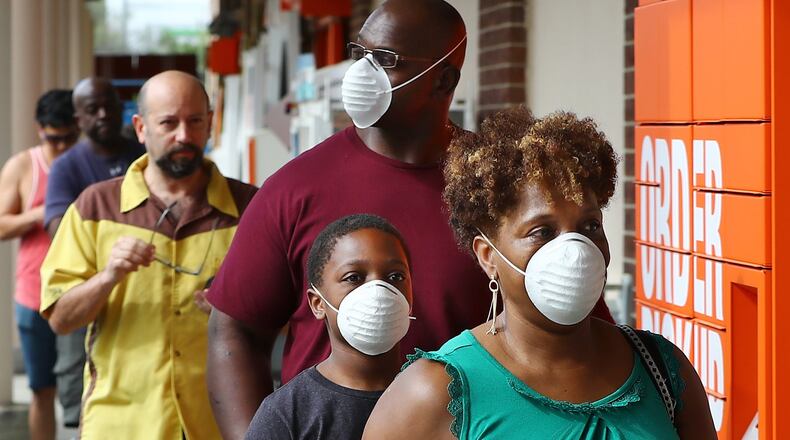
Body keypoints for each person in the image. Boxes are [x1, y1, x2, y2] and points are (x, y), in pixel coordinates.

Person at [205, 2, 615, 438]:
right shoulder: (294, 188)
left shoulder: (501, 191)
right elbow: (234, 332)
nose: (362, 72)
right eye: (359, 53)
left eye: (385, 60)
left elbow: (581, 327)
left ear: (443, 79)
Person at [363, 108, 716, 439]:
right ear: (488, 256)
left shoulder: (663, 371)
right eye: (542, 232)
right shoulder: (433, 393)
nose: (575, 250)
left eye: (589, 225)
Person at [39, 70, 257, 439]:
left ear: (210, 124)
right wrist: (108, 276)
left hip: (220, 422)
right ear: (140, 128)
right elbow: (60, 317)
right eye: (169, 123)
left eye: (195, 121)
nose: (184, 136)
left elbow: (292, 312)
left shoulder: (251, 207)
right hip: (123, 423)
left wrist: (236, 309)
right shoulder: (96, 205)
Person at [245, 214, 414, 440]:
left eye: (395, 276)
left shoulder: (437, 395)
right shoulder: (288, 413)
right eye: (353, 277)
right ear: (318, 303)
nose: (378, 290)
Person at [43, 76, 145, 428]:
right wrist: (107, 243)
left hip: (145, 287)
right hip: (89, 289)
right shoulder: (67, 166)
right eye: (92, 109)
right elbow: (57, 226)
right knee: (76, 366)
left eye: (110, 106)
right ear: (78, 119)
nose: (103, 114)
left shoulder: (144, 155)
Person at [0, 89, 78, 440]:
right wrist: (42, 212)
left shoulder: (86, 163)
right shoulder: (22, 165)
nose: (61, 146)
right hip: (33, 296)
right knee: (41, 390)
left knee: (83, 392)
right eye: (53, 138)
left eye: (68, 138)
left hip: (82, 294)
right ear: (39, 129)